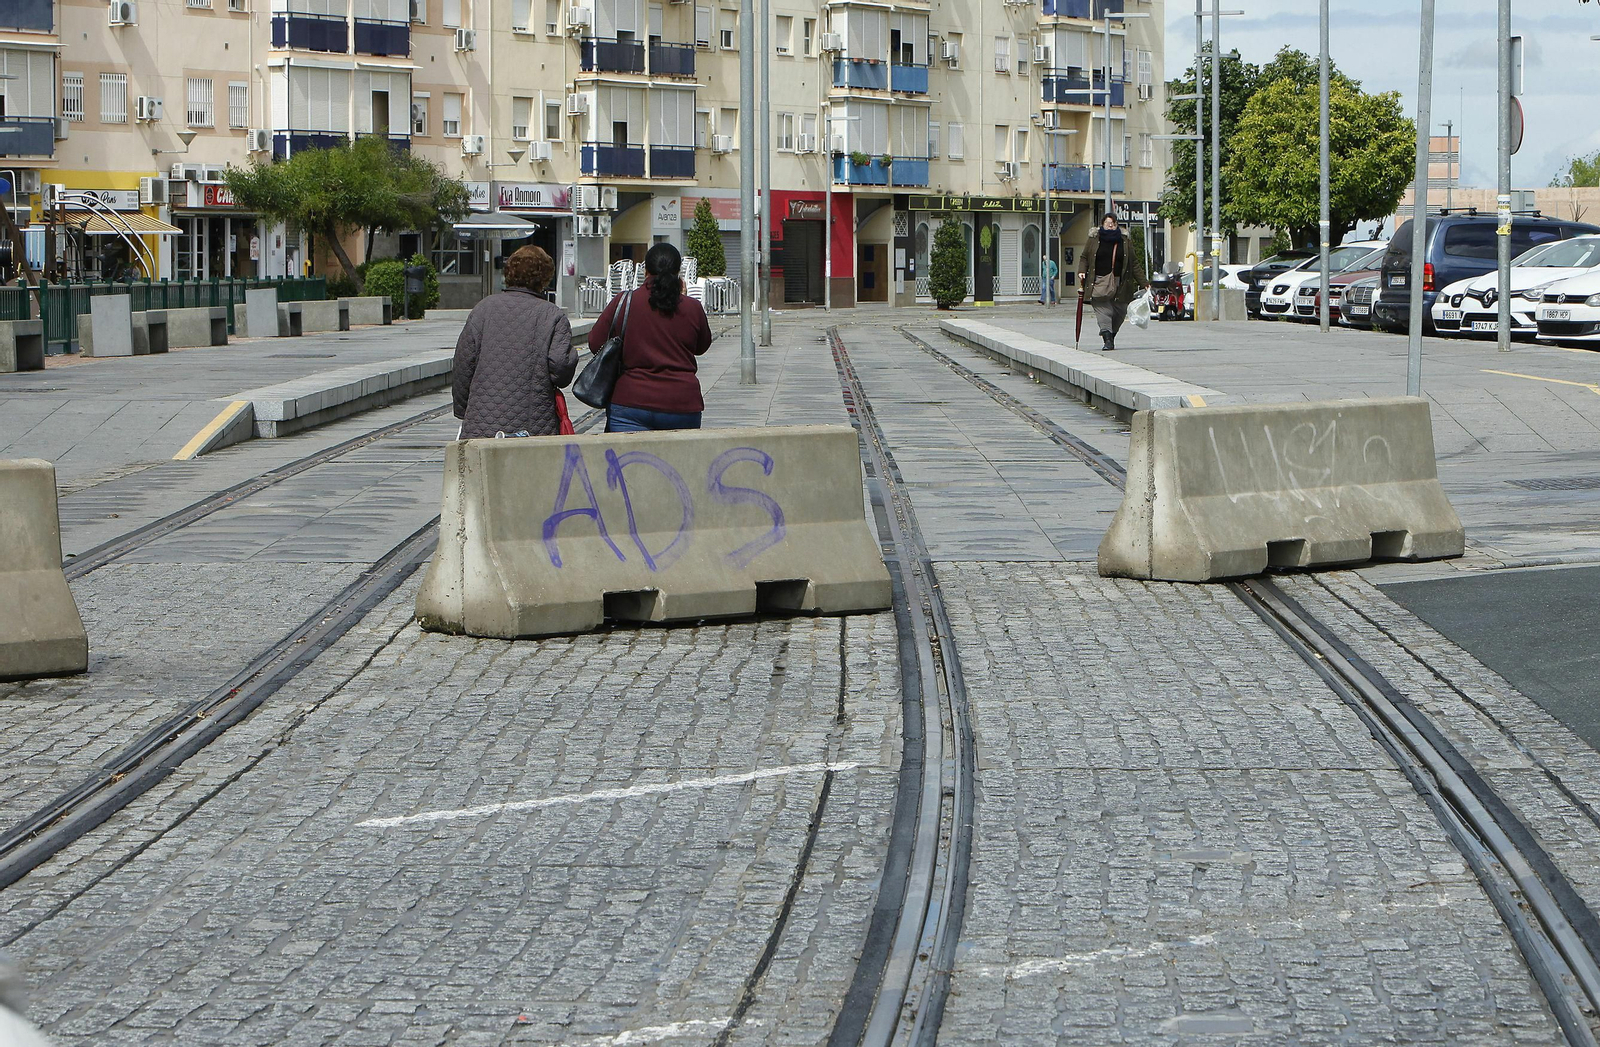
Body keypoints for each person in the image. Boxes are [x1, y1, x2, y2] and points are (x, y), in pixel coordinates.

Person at [452, 244, 577, 439]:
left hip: (481, 423)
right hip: (533, 425)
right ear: (544, 277)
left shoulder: (483, 309)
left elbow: (463, 363)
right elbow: (561, 371)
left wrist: (463, 410)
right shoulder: (552, 316)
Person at [588, 242, 713, 433]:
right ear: (678, 272)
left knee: (629, 463)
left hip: (630, 402)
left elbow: (595, 342)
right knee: (678, 463)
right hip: (681, 404)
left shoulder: (624, 301)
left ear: (645, 270)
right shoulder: (691, 307)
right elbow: (702, 346)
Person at [1078, 213, 1141, 351]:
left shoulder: (1124, 240)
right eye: (1107, 223)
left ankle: (1111, 336)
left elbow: (1133, 262)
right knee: (1103, 311)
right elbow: (1084, 257)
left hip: (1120, 282)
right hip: (1099, 281)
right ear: (1102, 224)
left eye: (1113, 223)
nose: (1110, 225)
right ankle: (1107, 340)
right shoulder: (1094, 239)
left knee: (1120, 312)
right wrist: (1082, 271)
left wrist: (1144, 283)